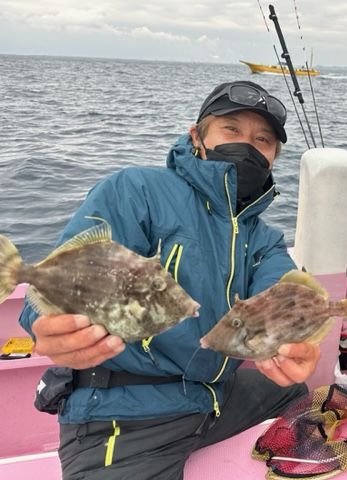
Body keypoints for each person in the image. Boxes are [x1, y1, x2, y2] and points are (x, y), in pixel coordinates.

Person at [18, 80, 320, 479]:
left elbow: (279, 289)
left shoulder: (261, 236)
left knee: (294, 393)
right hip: (124, 416)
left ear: (273, 156)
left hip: (211, 399)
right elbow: (66, 282)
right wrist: (53, 322)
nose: (246, 146)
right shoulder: (137, 190)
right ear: (197, 136)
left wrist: (289, 337)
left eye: (262, 140)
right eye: (231, 129)